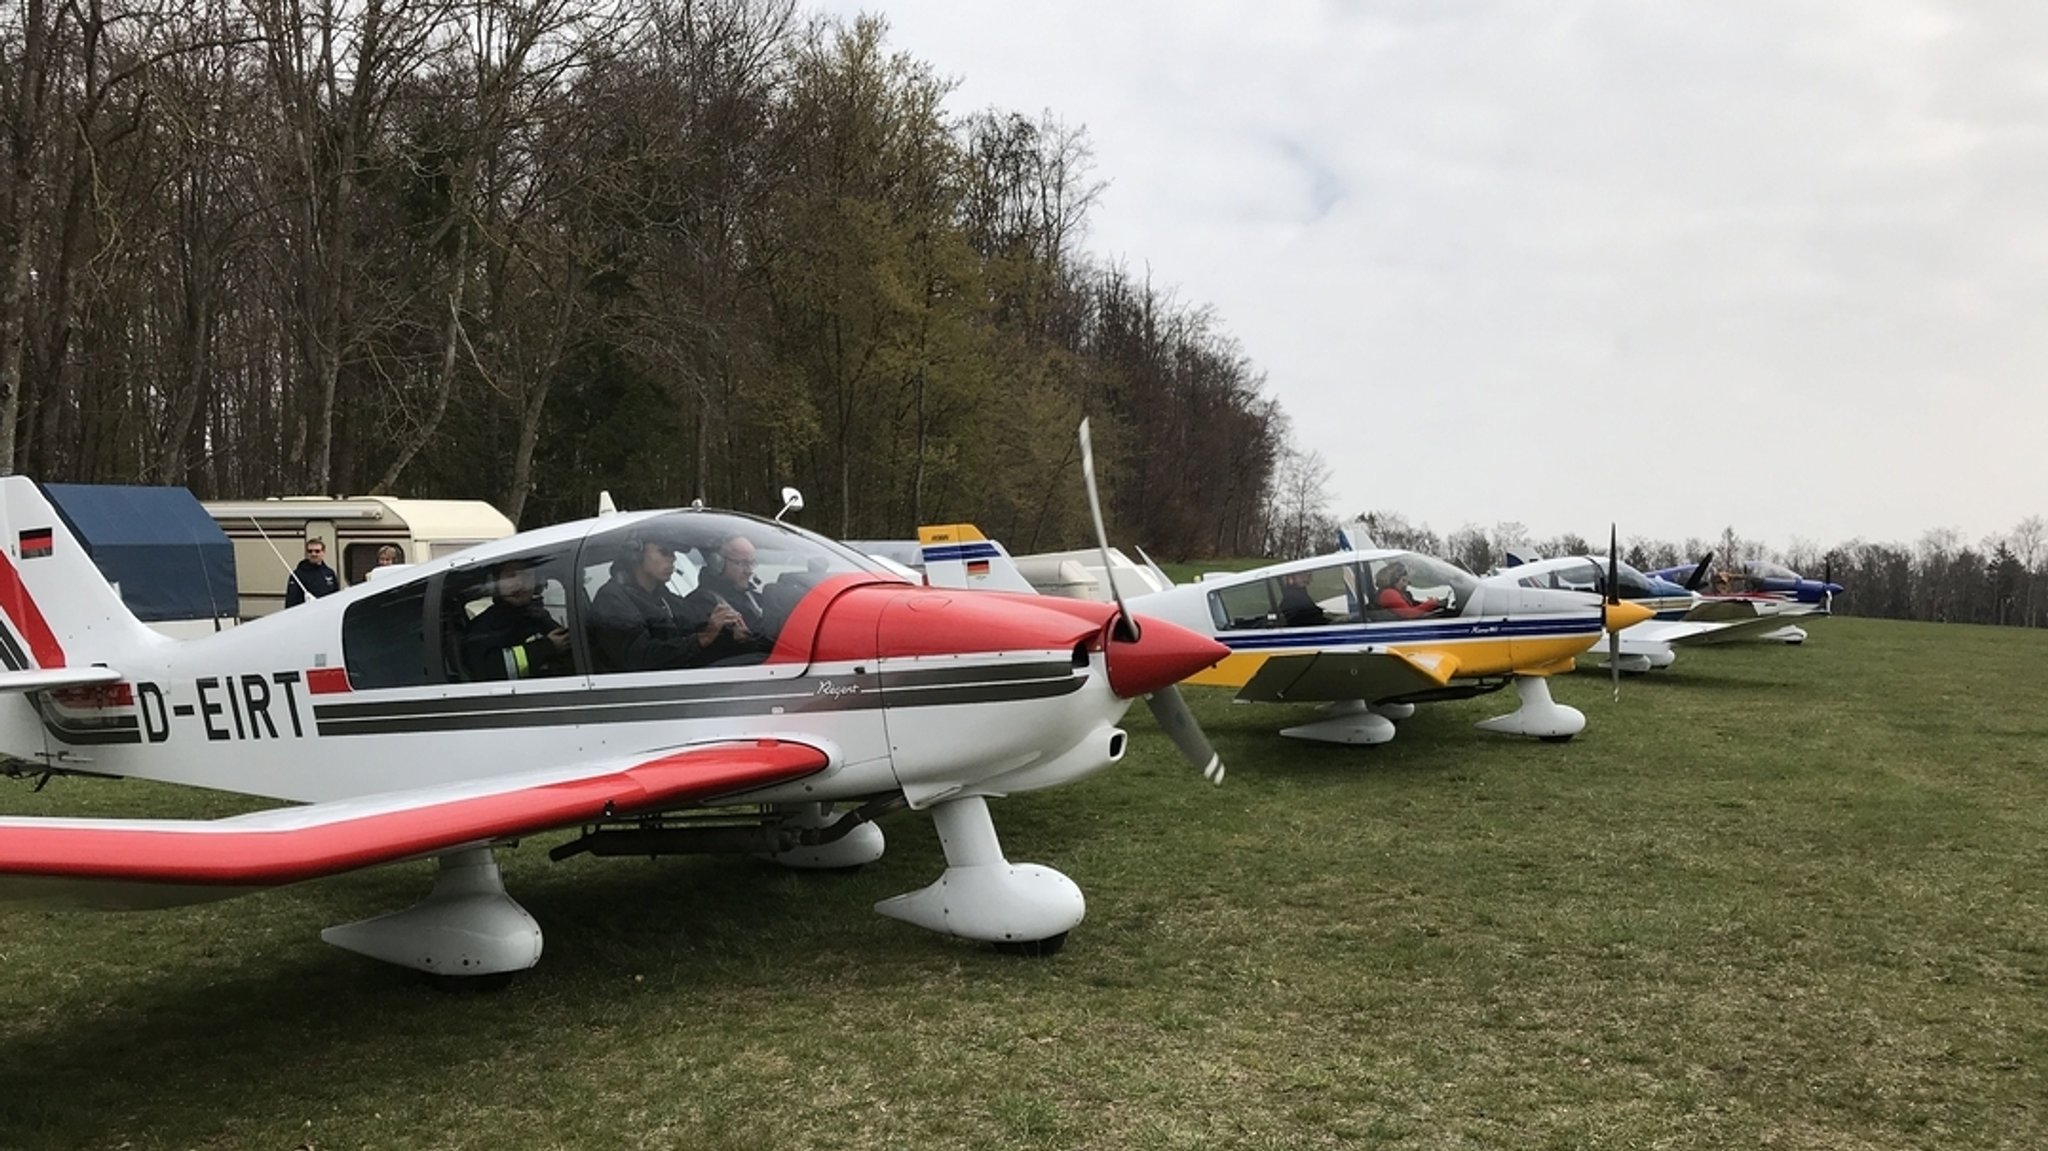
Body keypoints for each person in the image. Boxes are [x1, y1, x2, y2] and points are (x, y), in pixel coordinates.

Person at [589, 535, 731, 672]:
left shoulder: (663, 597)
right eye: (664, 552)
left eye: (673, 553)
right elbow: (641, 657)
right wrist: (702, 639)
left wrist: (726, 629)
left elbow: (692, 621)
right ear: (636, 554)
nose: (673, 559)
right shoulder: (612, 599)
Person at [462, 560, 571, 681]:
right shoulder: (483, 627)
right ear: (495, 582)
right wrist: (547, 647)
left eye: (527, 575)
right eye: (511, 576)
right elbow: (489, 671)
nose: (520, 583)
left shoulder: (538, 616)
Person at [679, 533, 777, 663]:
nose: (749, 571)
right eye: (742, 563)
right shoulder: (701, 603)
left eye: (751, 563)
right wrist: (741, 642)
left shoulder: (753, 597)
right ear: (717, 563)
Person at [1374, 561, 1443, 619]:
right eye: (1403, 580)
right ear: (1394, 579)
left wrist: (1433, 604)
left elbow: (1412, 606)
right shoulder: (1388, 594)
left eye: (1406, 581)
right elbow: (1409, 614)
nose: (1406, 585)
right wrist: (1430, 604)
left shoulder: (1398, 592)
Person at [283, 538, 340, 607]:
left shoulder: (329, 573)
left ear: (323, 552)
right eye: (310, 551)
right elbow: (291, 602)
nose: (313, 554)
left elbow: (336, 597)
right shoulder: (297, 575)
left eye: (317, 551)